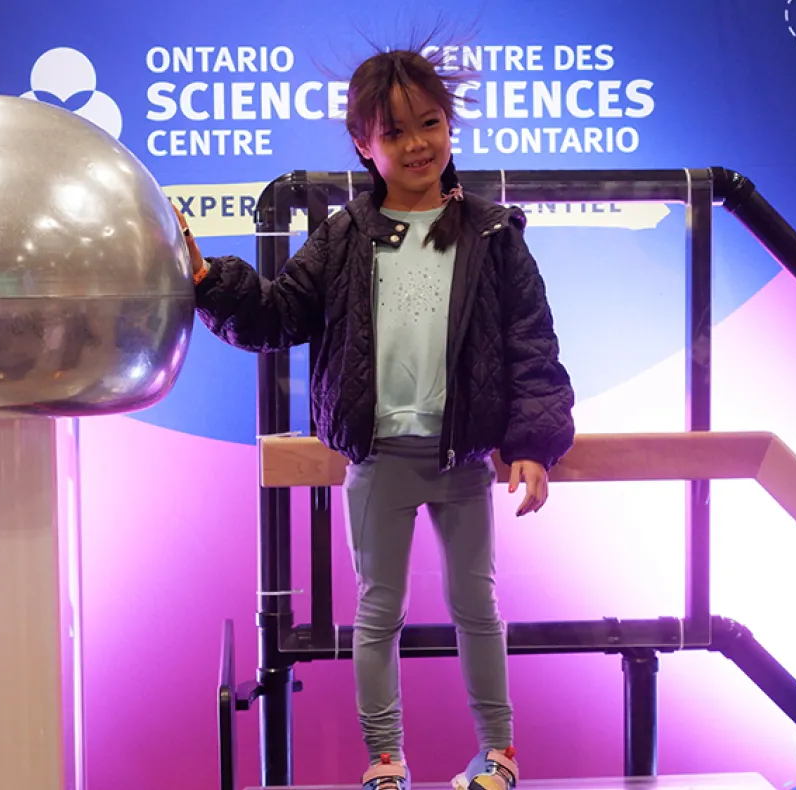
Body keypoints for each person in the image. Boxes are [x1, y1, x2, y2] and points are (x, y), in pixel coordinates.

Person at [174, 42, 576, 790]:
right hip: (378, 459)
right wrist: (208, 281)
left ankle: (500, 754)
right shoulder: (344, 235)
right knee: (377, 615)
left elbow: (532, 344)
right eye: (394, 132)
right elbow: (279, 312)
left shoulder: (493, 234)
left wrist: (532, 442)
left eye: (430, 123)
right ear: (363, 144)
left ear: (451, 125)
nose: (418, 143)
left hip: (460, 460)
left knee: (476, 607)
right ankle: (385, 761)